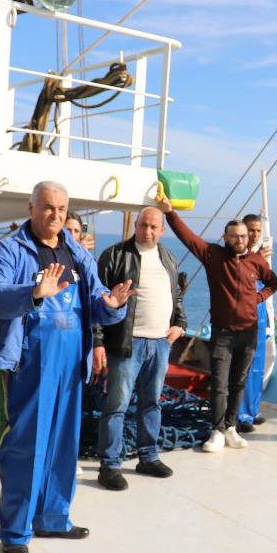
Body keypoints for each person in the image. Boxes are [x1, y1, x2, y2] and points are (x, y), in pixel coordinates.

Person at [0, 181, 131, 553]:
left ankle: (53, 516)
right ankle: (16, 530)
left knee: (65, 443)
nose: (56, 214)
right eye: (48, 206)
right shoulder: (12, 249)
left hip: (70, 361)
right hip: (32, 360)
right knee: (27, 446)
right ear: (31, 207)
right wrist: (33, 293)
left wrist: (113, 304)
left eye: (62, 207)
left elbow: (96, 301)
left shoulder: (77, 251)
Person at [155, 194, 277, 453]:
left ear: (249, 238)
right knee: (220, 383)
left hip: (249, 332)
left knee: (239, 382)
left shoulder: (256, 261)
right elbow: (188, 237)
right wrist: (170, 213)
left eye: (244, 236)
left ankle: (231, 427)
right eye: (235, 236)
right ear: (226, 238)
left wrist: (257, 298)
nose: (240, 240)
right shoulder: (213, 255)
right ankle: (217, 431)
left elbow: (272, 282)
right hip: (223, 333)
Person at [92, 207, 187, 491]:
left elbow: (177, 295)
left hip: (160, 343)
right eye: (143, 225)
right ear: (136, 224)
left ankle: (148, 456)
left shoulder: (168, 258)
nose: (147, 231)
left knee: (151, 403)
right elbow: (98, 299)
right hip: (126, 343)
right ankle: (109, 465)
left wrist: (180, 323)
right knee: (117, 406)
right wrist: (98, 342)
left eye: (153, 227)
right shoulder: (115, 255)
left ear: (162, 230)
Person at [236, 213, 272, 434]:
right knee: (243, 369)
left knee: (258, 367)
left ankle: (252, 410)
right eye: (251, 230)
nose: (255, 234)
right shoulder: (237, 255)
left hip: (258, 316)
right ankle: (240, 414)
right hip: (242, 319)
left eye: (258, 230)